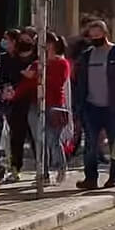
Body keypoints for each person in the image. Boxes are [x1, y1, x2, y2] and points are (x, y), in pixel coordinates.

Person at [72, 17, 115, 190]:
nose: (95, 39)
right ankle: (90, 178)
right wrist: (78, 109)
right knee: (91, 146)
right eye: (92, 37)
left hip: (113, 108)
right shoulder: (87, 56)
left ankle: (114, 177)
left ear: (105, 34)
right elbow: (80, 84)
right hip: (91, 107)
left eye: (97, 36)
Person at [2, 32, 40, 183]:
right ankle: (15, 168)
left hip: (35, 102)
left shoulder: (38, 59)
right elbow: (5, 78)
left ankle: (42, 169)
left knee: (37, 138)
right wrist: (6, 89)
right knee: (16, 138)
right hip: (16, 103)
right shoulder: (10, 59)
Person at [39, 32, 72, 186]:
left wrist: (41, 75)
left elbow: (58, 82)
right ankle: (43, 173)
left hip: (56, 105)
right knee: (41, 140)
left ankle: (61, 166)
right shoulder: (39, 61)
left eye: (47, 43)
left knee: (53, 140)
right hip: (39, 103)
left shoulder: (61, 63)